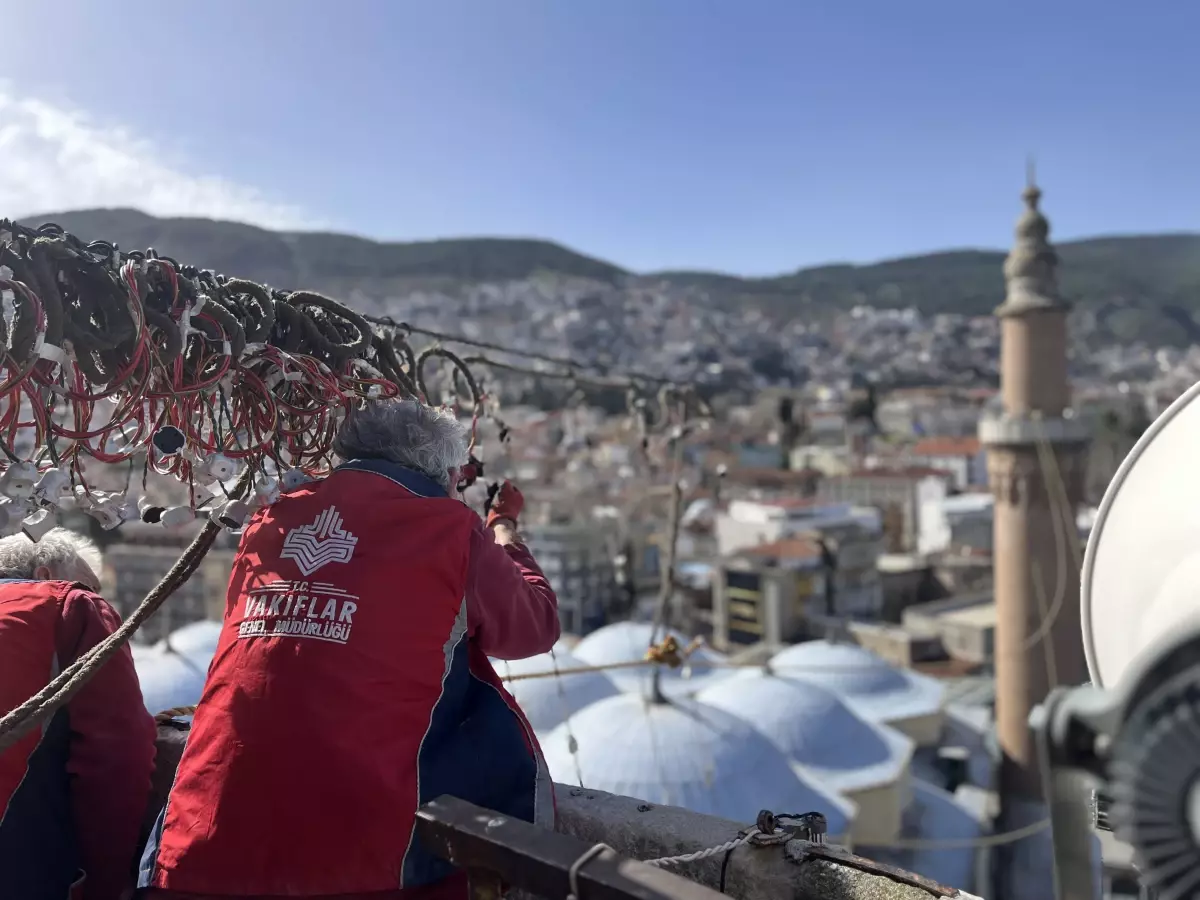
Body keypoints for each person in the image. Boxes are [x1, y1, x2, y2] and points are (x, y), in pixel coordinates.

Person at [141, 399, 561, 900]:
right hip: (353, 861)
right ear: (445, 472)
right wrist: (503, 528)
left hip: (199, 845)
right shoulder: (449, 529)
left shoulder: (270, 517)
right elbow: (535, 627)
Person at [0, 527, 157, 900]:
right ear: (45, 575)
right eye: (88, 585)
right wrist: (106, 880)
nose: (95, 596)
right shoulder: (70, 608)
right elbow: (117, 757)